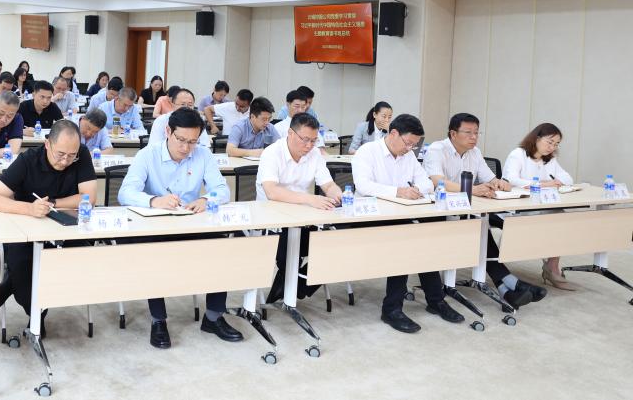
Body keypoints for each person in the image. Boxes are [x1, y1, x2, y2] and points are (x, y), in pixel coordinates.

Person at [118, 108, 242, 348]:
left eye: (192, 142)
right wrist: (154, 200)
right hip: (155, 227)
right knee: (153, 255)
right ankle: (158, 320)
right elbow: (125, 193)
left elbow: (222, 189)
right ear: (168, 132)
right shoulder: (147, 155)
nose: (186, 148)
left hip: (190, 223)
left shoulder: (203, 155)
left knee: (225, 245)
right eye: (181, 140)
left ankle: (213, 317)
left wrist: (206, 199)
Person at [351, 114, 465, 333]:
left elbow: (426, 183)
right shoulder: (368, 151)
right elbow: (363, 186)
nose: (410, 148)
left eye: (414, 145)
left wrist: (415, 190)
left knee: (425, 239)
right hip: (370, 218)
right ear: (394, 133)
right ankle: (392, 309)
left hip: (401, 216)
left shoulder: (409, 156)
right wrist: (398, 191)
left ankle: (436, 301)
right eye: (408, 143)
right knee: (406, 242)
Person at [424, 113, 546, 308]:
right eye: (468, 132)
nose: (474, 137)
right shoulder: (437, 149)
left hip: (467, 211)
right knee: (479, 227)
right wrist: (472, 189)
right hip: (437, 211)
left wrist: (498, 183)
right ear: (453, 134)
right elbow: (437, 181)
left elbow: (489, 178)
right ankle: (510, 284)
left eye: (477, 133)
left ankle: (507, 288)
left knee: (482, 225)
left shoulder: (475, 152)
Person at [0, 120, 97, 330]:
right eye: (60, 154)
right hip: (26, 234)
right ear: (47, 144)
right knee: (26, 290)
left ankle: (14, 288)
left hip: (66, 231)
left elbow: (89, 198)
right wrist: (29, 208)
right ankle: (36, 314)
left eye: (71, 156)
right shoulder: (28, 160)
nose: (65, 161)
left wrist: (53, 203)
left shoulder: (80, 154)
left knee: (79, 270)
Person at [256, 112, 342, 304]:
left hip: (303, 219)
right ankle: (289, 288)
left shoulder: (315, 154)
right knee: (287, 256)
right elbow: (272, 192)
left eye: (313, 140)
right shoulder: (272, 153)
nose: (309, 145)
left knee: (337, 244)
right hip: (272, 222)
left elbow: (328, 185)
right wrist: (310, 199)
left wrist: (337, 194)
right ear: (290, 133)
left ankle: (295, 287)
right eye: (305, 139)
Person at [503, 123, 575, 290]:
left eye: (556, 144)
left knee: (562, 217)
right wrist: (544, 183)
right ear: (536, 138)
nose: (552, 147)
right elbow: (511, 179)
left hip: (542, 206)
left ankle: (552, 266)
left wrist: (551, 182)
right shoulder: (518, 154)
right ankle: (550, 268)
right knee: (556, 217)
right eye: (550, 142)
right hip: (517, 207)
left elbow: (568, 178)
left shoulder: (550, 160)